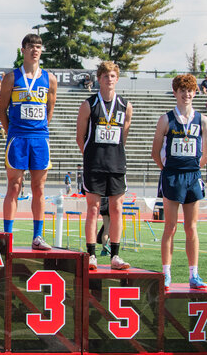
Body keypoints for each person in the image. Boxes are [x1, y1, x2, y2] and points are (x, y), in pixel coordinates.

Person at [151, 74, 207, 290]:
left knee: (191, 227)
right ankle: (166, 273)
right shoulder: (166, 119)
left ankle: (193, 274)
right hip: (172, 175)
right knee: (170, 226)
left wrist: (194, 168)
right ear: (175, 93)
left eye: (190, 91)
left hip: (193, 176)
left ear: (195, 93)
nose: (186, 94)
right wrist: (168, 170)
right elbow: (155, 151)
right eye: (182, 91)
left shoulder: (202, 120)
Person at [0, 33, 58, 250]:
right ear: (23, 50)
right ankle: (8, 235)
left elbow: (49, 109)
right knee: (14, 186)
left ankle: (38, 236)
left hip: (40, 139)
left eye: (39, 47)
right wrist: (12, 132)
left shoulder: (50, 79)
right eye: (31, 46)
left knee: (39, 187)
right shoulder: (11, 78)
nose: (35, 50)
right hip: (17, 138)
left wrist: (41, 129)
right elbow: (1, 110)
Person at [76, 62, 133, 269]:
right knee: (93, 209)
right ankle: (91, 254)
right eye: (105, 76)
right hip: (94, 165)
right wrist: (92, 157)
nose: (109, 79)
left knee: (117, 209)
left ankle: (115, 256)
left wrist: (113, 155)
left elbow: (122, 136)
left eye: (112, 76)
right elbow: (80, 137)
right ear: (99, 79)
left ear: (117, 79)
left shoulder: (125, 106)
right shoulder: (89, 105)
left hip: (117, 165)